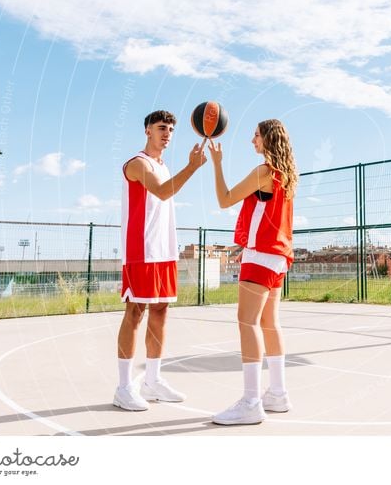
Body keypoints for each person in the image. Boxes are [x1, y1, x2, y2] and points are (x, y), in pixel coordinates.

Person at [113, 110, 207, 411]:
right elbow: (163, 192)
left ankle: (153, 381)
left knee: (161, 311)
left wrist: (187, 167)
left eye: (170, 130)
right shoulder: (138, 164)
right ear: (147, 132)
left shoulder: (163, 166)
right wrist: (192, 167)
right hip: (141, 250)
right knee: (135, 312)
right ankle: (124, 387)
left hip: (164, 250)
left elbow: (166, 189)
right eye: (161, 128)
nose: (167, 134)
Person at [207, 119, 298, 425]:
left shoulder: (264, 172)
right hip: (279, 257)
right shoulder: (286, 176)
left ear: (268, 139)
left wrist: (217, 164)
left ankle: (250, 401)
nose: (251, 140)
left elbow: (224, 199)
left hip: (260, 255)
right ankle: (278, 393)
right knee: (270, 323)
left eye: (256, 135)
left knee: (247, 322)